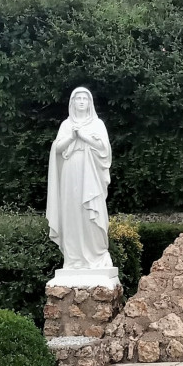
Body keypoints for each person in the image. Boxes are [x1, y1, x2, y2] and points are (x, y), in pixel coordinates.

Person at [46, 87, 113, 270]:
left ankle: (97, 255)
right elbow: (57, 149)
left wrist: (83, 136)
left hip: (90, 173)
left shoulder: (97, 124)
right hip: (70, 171)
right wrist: (72, 137)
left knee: (91, 212)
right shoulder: (66, 125)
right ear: (73, 103)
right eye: (78, 98)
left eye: (85, 98)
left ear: (90, 103)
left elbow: (104, 149)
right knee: (72, 213)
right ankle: (74, 258)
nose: (82, 101)